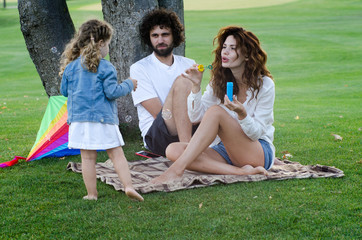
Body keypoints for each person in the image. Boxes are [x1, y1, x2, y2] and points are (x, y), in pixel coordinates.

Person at [151, 26, 275, 184]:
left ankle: (176, 170)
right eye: (224, 47)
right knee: (173, 150)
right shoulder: (219, 81)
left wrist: (242, 115)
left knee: (216, 112)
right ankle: (239, 172)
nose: (225, 52)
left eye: (232, 48)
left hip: (258, 151)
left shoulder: (265, 85)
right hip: (225, 150)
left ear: (247, 55)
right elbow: (196, 117)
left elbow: (256, 133)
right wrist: (196, 87)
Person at [59, 19, 143, 201]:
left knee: (88, 159)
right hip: (103, 119)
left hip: (79, 121)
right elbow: (112, 92)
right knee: (117, 155)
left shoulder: (71, 67)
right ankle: (128, 186)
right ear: (101, 43)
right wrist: (129, 84)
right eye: (108, 45)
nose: (108, 49)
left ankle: (91, 194)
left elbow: (64, 91)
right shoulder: (105, 67)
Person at [131, 8, 196, 156]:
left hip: (188, 124)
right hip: (158, 131)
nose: (160, 40)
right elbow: (157, 113)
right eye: (155, 35)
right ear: (149, 38)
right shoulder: (139, 68)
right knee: (182, 82)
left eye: (165, 34)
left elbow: (195, 104)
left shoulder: (189, 63)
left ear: (174, 36)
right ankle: (188, 151)